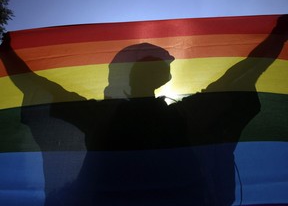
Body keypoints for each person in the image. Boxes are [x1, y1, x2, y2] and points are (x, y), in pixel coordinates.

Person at [1, 15, 287, 206]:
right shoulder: (182, 114)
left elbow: (243, 72)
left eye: (159, 61)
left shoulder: (107, 115)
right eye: (153, 61)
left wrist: (277, 35)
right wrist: (8, 55)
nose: (161, 64)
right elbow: (39, 84)